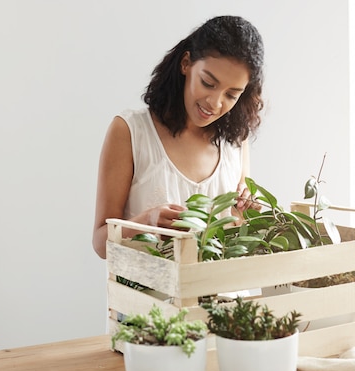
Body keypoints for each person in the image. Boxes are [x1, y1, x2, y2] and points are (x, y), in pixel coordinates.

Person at [92, 15, 265, 259]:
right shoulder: (130, 131)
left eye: (231, 95)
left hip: (229, 295)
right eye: (208, 83)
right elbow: (100, 242)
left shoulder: (236, 140)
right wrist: (148, 222)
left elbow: (234, 232)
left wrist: (246, 211)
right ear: (186, 64)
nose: (215, 103)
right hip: (153, 296)